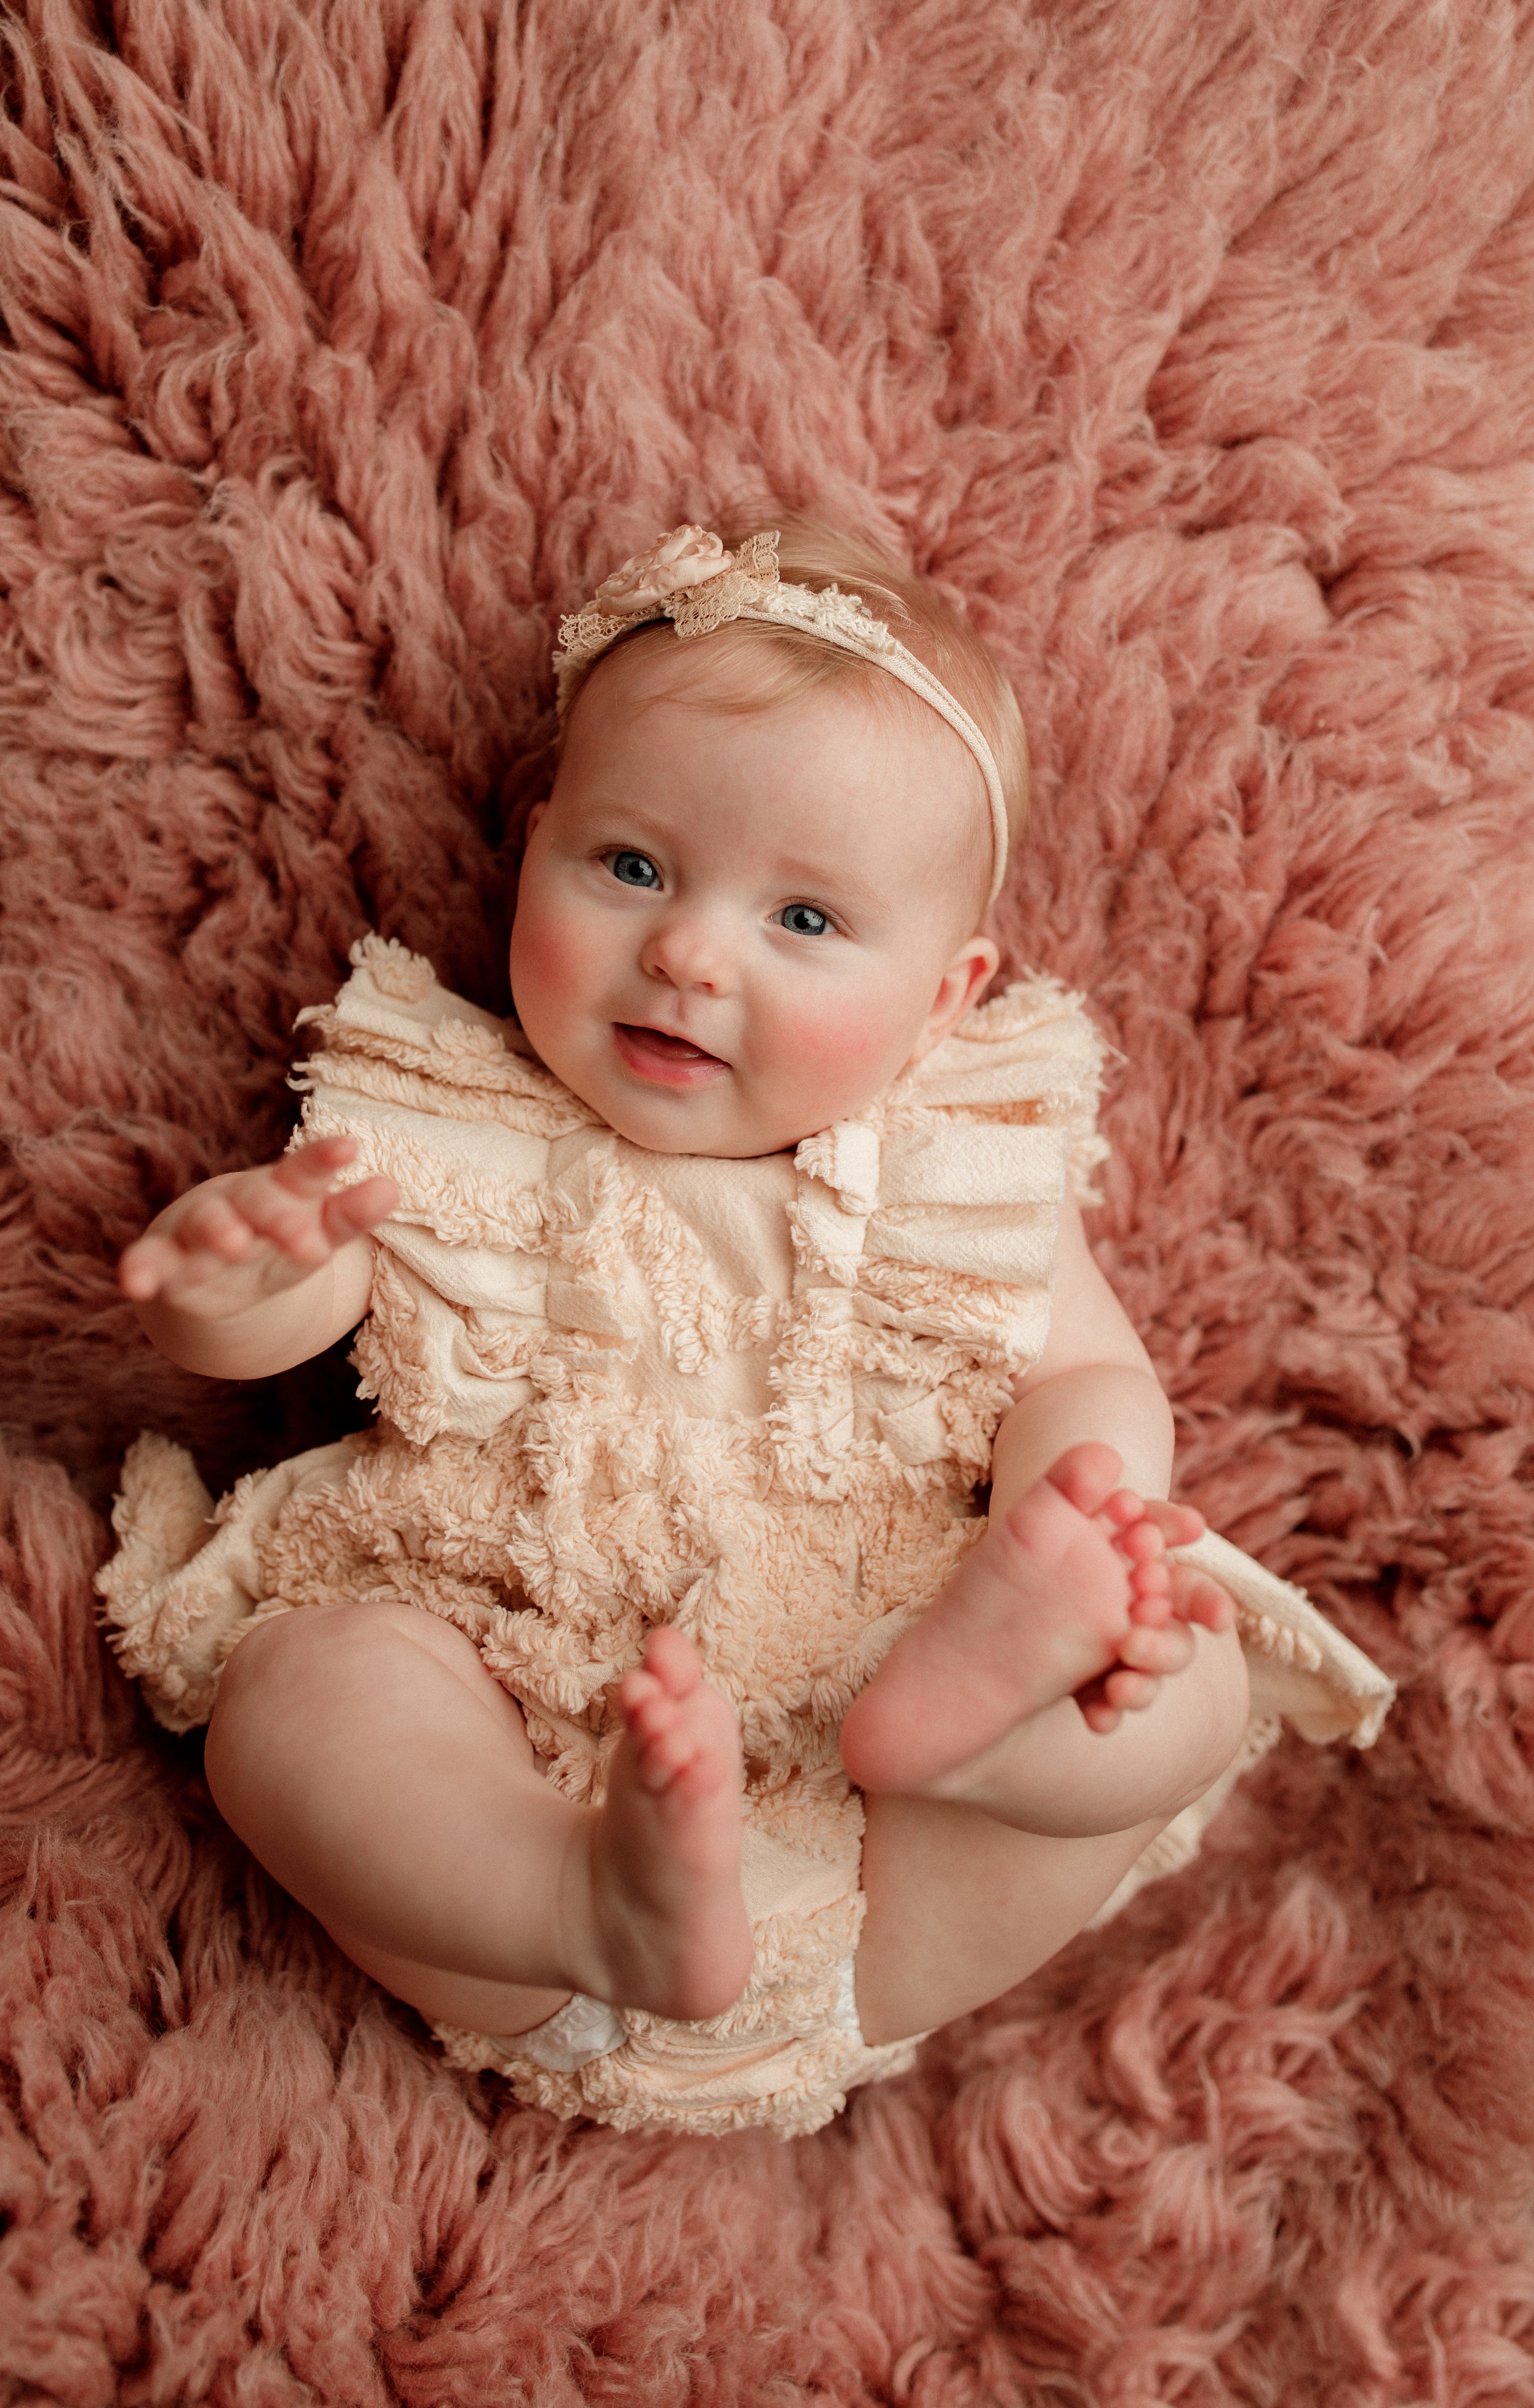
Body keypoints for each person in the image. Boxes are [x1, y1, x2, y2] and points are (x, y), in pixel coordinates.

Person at [101, 517, 1392, 2137]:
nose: (689, 953)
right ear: (537, 843)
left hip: (896, 1865)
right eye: (632, 868)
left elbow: (1081, 1367)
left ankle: (979, 1727)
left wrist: (1076, 1514)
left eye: (804, 920)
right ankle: (581, 1890)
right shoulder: (450, 1124)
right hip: (504, 1821)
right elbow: (313, 1298)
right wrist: (233, 1281)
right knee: (299, 1692)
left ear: (943, 997)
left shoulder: (957, 1168)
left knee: (1183, 1667)